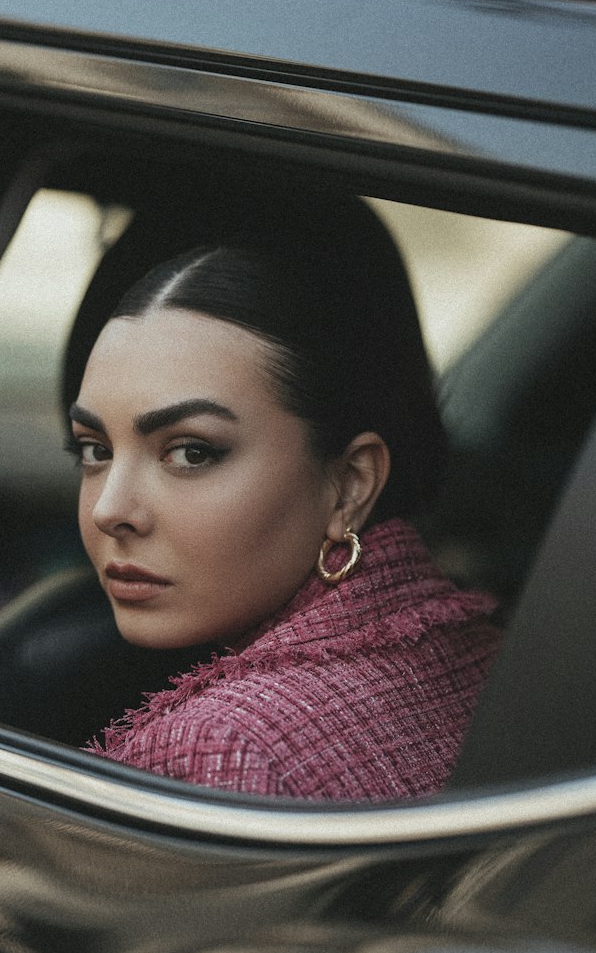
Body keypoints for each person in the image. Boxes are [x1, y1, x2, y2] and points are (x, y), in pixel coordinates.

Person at [64, 191, 500, 802]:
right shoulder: (472, 652)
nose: (110, 510)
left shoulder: (215, 758)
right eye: (94, 450)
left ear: (349, 485)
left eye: (191, 452)